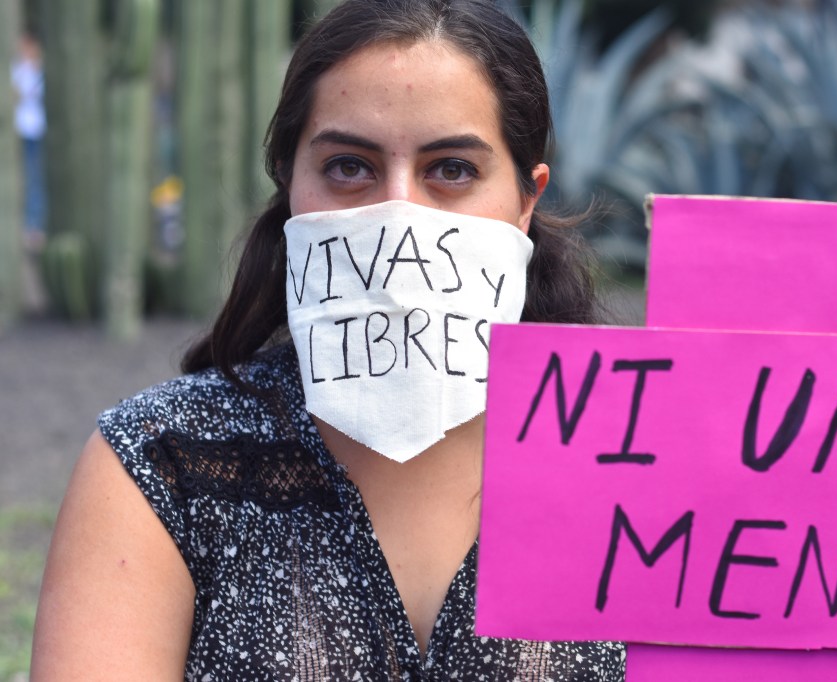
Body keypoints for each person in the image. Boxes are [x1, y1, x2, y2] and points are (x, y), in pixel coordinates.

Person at [31, 0, 624, 679]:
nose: (398, 212)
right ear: (291, 187)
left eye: (452, 169)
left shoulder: (640, 463)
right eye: (349, 167)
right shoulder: (160, 461)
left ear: (526, 199)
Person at [10, 32, 47, 252]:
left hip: (37, 130)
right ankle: (23, 225)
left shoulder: (41, 71)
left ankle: (35, 225)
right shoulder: (17, 70)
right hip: (19, 130)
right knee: (22, 178)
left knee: (35, 178)